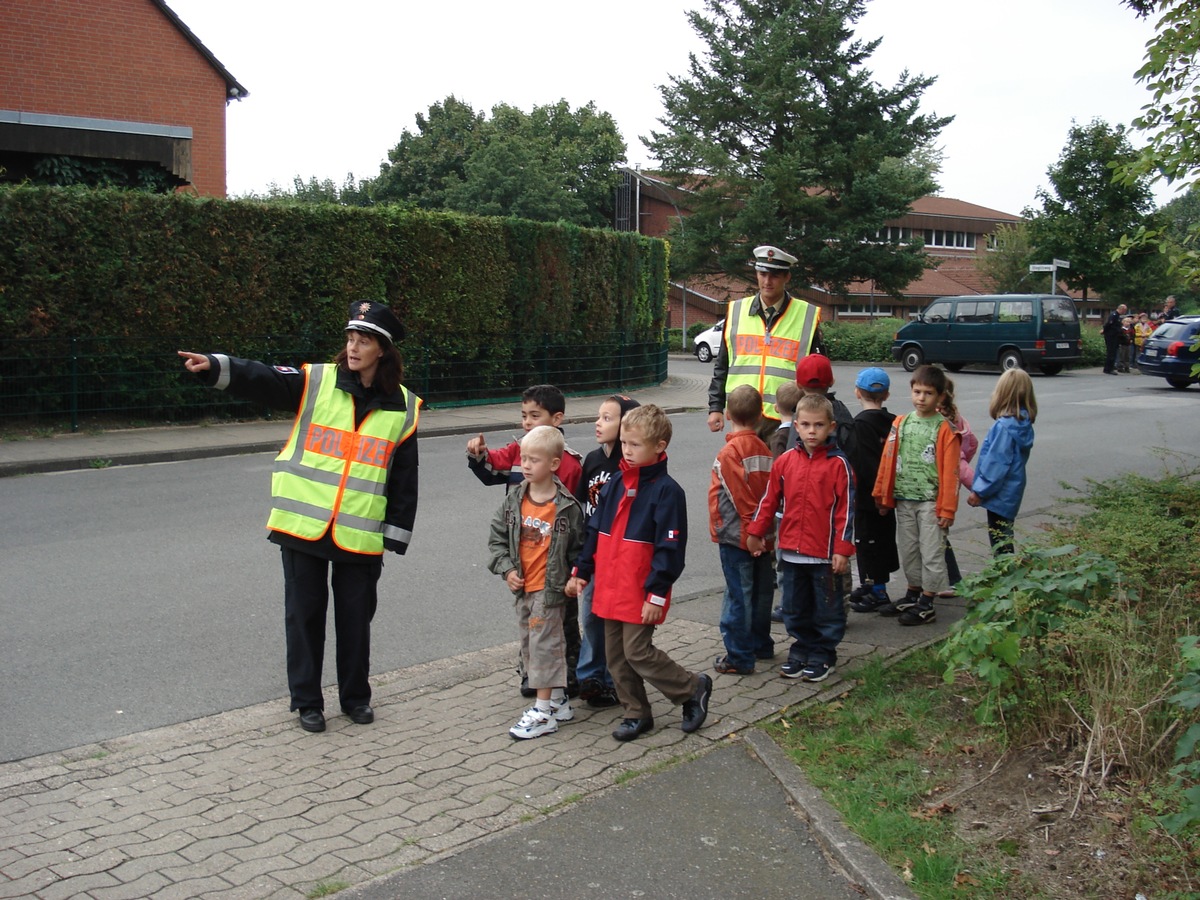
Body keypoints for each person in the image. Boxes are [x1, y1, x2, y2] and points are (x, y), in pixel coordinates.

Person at [177, 300, 419, 734]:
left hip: (359, 533)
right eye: (349, 339)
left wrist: (395, 535)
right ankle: (307, 702)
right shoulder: (317, 381)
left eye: (363, 341)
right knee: (304, 617)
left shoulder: (404, 406)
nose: (353, 348)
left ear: (381, 349)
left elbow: (404, 477)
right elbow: (265, 379)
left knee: (355, 622)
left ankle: (355, 698)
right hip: (302, 526)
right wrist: (217, 366)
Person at [565, 405, 713, 742]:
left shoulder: (667, 492)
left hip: (640, 589)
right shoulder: (615, 482)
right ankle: (636, 712)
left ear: (659, 446)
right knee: (615, 657)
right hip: (608, 586)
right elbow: (594, 530)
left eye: (635, 445)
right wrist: (582, 571)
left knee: (638, 652)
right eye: (625, 443)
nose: (627, 451)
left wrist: (656, 593)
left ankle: (692, 688)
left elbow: (670, 550)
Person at [466, 383, 583, 698]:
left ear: (556, 419)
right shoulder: (519, 451)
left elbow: (575, 516)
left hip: (555, 560)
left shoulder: (569, 464)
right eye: (524, 415)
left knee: (562, 621)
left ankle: (569, 674)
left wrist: (573, 567)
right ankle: (530, 674)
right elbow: (494, 468)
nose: (528, 422)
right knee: (528, 619)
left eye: (536, 415)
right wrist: (478, 454)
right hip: (525, 555)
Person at [746, 394, 854, 683]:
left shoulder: (839, 464)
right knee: (794, 605)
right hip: (791, 551)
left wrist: (842, 549)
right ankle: (802, 646)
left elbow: (846, 510)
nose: (811, 431)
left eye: (818, 425)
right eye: (805, 425)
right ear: (796, 425)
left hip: (824, 554)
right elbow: (769, 499)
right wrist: (756, 532)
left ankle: (823, 652)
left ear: (831, 426)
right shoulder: (785, 462)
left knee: (826, 607)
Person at [487, 426, 586, 739]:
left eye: (534, 460)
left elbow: (579, 550)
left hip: (550, 588)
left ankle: (543, 713)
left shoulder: (567, 507)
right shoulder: (515, 499)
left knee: (545, 646)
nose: (526, 466)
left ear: (554, 464)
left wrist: (574, 578)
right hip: (524, 587)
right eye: (523, 459)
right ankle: (558, 700)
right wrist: (506, 570)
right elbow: (497, 538)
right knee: (531, 644)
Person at [871, 365, 961, 626]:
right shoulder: (901, 422)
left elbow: (951, 472)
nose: (921, 398)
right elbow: (887, 460)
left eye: (929, 393)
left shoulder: (945, 429)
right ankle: (913, 592)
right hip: (905, 498)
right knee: (909, 549)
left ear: (941, 397)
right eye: (917, 391)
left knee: (931, 551)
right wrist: (882, 495)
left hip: (931, 502)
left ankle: (928, 602)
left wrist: (947, 509)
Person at [706, 245, 824, 439]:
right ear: (756, 274)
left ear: (787, 277)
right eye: (763, 274)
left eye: (775, 275)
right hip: (743, 415)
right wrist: (715, 407)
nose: (767, 281)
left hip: (786, 418)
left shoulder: (806, 315)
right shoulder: (736, 311)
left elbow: (816, 373)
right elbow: (722, 365)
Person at [572, 394, 641, 709]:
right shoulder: (593, 459)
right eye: (599, 416)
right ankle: (590, 677)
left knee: (611, 621)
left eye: (607, 418)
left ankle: (609, 680)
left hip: (619, 556)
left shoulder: (629, 465)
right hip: (593, 550)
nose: (598, 423)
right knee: (591, 615)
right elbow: (581, 504)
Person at [709, 384, 775, 675]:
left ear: (727, 413)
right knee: (761, 593)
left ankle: (738, 656)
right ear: (760, 415)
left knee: (739, 594)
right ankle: (761, 644)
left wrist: (751, 533)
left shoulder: (730, 452)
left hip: (740, 537)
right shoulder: (764, 449)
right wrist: (762, 532)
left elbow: (740, 497)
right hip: (761, 535)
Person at [968, 369, 1038, 556]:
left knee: (1000, 543)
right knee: (1004, 537)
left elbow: (996, 464)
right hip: (1011, 492)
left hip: (999, 494)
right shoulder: (1023, 424)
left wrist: (979, 490)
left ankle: (1007, 581)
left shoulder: (1003, 427)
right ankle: (1008, 578)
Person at [846, 368, 899, 613]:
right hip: (889, 495)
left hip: (869, 498)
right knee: (885, 540)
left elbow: (862, 464)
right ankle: (875, 585)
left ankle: (877, 590)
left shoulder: (860, 425)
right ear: (886, 394)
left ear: (857, 392)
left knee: (867, 542)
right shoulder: (894, 422)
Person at [767, 381, 801, 623]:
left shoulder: (779, 437)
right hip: (798, 503)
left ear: (776, 407)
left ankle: (787, 604)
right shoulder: (801, 433)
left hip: (783, 508)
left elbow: (778, 472)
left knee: (783, 556)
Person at [1102, 304, 1129, 375]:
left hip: (1115, 336)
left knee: (1113, 352)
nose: (1125, 312)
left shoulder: (1117, 316)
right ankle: (1108, 369)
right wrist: (1104, 331)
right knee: (1111, 352)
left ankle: (1108, 368)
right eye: (1125, 310)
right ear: (1122, 309)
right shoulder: (1114, 315)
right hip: (1111, 337)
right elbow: (1108, 324)